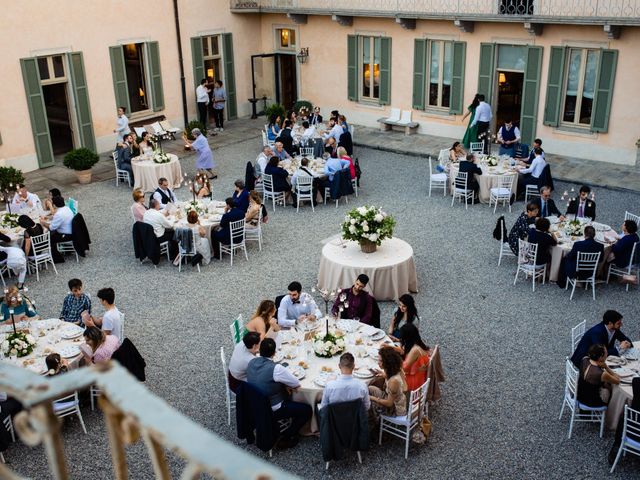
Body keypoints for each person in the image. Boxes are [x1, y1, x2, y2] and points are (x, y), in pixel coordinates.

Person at [246, 338, 312, 448]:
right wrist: (286, 385)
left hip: (253, 405)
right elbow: (295, 383)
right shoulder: (276, 368)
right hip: (273, 408)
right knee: (307, 410)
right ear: (274, 353)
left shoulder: (251, 362)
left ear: (259, 350)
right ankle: (286, 436)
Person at [369, 346, 408, 421]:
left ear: (387, 363)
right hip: (396, 399)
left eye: (380, 361)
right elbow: (405, 387)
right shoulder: (397, 369)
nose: (378, 362)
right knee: (369, 388)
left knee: (367, 397)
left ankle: (373, 420)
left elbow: (389, 403)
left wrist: (372, 398)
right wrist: (385, 375)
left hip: (394, 409)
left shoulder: (393, 381)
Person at [608, 377, 640, 465]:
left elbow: (635, 379)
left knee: (624, 418)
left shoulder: (636, 382)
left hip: (630, 430)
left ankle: (616, 446)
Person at [577, 344, 620, 408]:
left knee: (606, 384)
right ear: (600, 357)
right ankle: (612, 412)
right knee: (612, 391)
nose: (607, 354)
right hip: (592, 401)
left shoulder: (584, 359)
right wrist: (606, 367)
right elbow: (617, 380)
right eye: (606, 353)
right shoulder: (602, 374)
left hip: (580, 395)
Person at [40, 196, 74, 263]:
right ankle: (62, 252)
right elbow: (57, 217)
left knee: (49, 237)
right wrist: (49, 218)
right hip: (71, 230)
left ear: (54, 205)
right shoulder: (67, 208)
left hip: (66, 235)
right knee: (51, 234)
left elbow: (51, 228)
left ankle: (57, 258)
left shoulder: (59, 214)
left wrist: (43, 223)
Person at [399, 323, 431, 392]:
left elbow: (404, 368)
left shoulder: (415, 350)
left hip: (414, 380)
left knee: (390, 376)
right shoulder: (418, 342)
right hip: (420, 375)